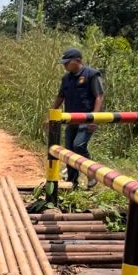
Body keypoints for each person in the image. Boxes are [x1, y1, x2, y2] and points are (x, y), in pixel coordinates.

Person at [51, 47, 104, 188]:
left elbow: (99, 96)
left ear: (78, 61)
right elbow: (60, 97)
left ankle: (91, 174)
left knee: (78, 145)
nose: (65, 65)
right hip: (71, 120)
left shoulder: (91, 75)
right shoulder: (66, 78)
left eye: (67, 62)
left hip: (86, 120)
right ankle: (72, 182)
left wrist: (95, 118)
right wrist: (51, 114)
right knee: (69, 151)